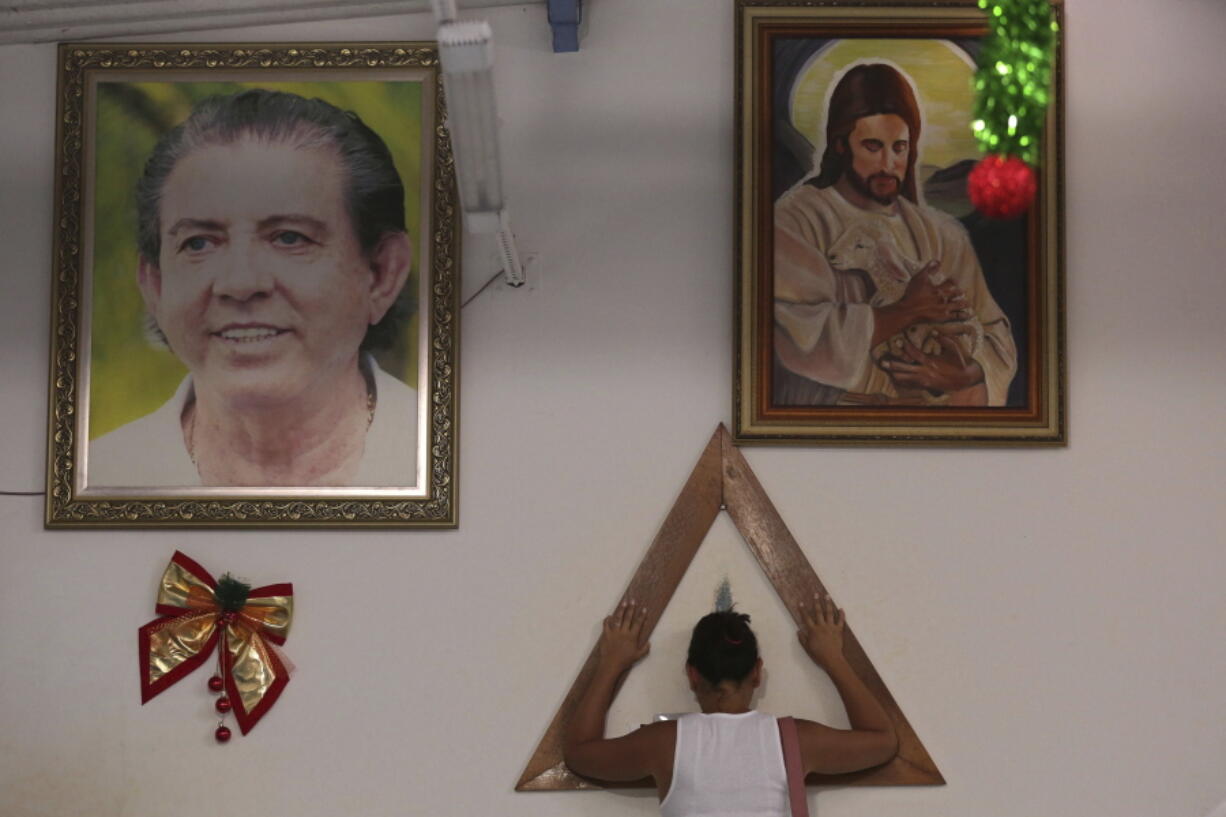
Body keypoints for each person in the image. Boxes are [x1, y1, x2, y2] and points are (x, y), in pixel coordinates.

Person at [88, 89, 418, 488]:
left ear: (382, 273)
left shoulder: (476, 472)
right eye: (198, 243)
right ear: (155, 285)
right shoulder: (103, 481)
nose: (240, 284)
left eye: (290, 238)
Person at [773, 63, 1017, 406]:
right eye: (873, 147)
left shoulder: (944, 234)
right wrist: (905, 310)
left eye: (899, 148)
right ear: (842, 145)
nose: (888, 164)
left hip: (938, 431)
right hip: (837, 428)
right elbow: (793, 332)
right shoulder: (795, 220)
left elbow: (994, 333)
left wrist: (966, 374)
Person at [563, 597, 898, 815]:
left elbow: (579, 753)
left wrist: (611, 663)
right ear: (756, 671)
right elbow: (883, 740)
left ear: (692, 675)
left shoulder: (665, 743)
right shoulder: (794, 741)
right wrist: (833, 658)